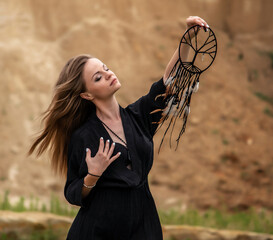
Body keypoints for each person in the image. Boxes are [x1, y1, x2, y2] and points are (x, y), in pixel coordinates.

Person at [29, 16, 209, 240]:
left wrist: (187, 39)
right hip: (99, 231)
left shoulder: (137, 117)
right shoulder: (84, 136)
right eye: (98, 77)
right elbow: (72, 192)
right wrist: (93, 175)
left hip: (143, 226)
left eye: (105, 68)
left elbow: (168, 83)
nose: (108, 74)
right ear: (87, 94)